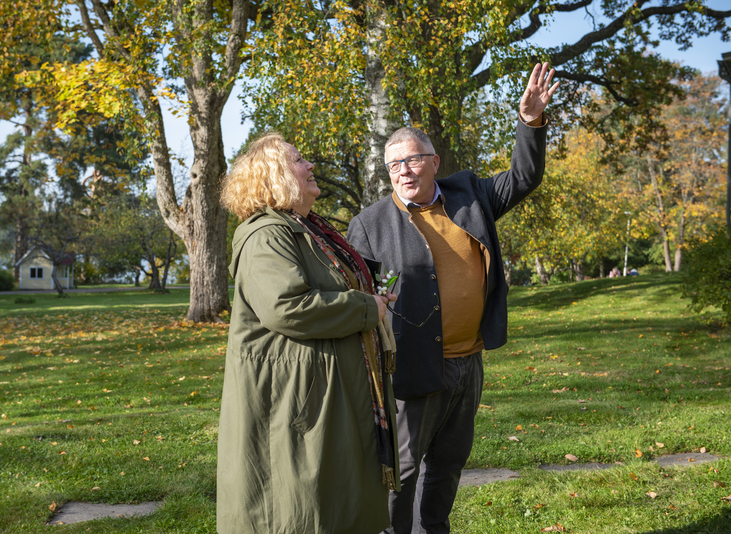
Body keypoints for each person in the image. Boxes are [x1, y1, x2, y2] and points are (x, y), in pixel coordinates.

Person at [346, 62, 559, 534]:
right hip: (414, 366)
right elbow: (357, 296)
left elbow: (523, 178)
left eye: (413, 159)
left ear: (434, 161)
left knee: (449, 465)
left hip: (469, 362)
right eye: (394, 164)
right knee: (401, 473)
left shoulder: (472, 197)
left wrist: (530, 123)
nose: (404, 170)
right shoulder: (369, 224)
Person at [217, 132, 400, 534]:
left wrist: (370, 295)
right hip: (296, 399)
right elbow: (287, 308)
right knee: (300, 508)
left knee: (335, 502)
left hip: (326, 390)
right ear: (276, 175)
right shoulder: (266, 234)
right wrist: (368, 308)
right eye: (299, 160)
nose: (310, 165)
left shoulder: (308, 229)